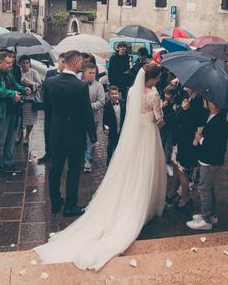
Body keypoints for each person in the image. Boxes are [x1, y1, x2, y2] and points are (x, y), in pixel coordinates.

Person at [35, 62, 166, 271]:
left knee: (130, 168)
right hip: (148, 134)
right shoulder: (154, 94)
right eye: (158, 78)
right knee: (146, 168)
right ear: (154, 78)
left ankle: (59, 202)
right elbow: (159, 119)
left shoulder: (132, 91)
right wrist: (162, 113)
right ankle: (143, 202)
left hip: (132, 137)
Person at [42, 50, 97, 217]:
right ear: (76, 64)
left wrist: (52, 127)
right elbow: (87, 113)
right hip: (75, 134)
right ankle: (70, 205)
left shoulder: (50, 82)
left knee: (55, 168)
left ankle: (55, 202)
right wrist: (92, 136)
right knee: (73, 170)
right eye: (80, 62)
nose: (81, 64)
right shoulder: (80, 86)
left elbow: (48, 110)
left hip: (57, 132)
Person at [0, 51, 29, 176]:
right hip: (0, 112)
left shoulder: (9, 73)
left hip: (12, 110)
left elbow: (14, 85)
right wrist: (11, 94)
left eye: (12, 62)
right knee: (0, 142)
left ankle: (8, 163)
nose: (10, 65)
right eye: (8, 63)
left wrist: (23, 89)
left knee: (10, 140)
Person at [186, 99, 228, 231]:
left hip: (211, 160)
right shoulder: (211, 116)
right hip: (206, 158)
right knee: (208, 188)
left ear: (214, 104)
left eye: (207, 99)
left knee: (204, 188)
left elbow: (217, 145)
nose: (204, 100)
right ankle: (211, 214)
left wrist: (201, 139)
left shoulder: (221, 122)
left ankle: (206, 220)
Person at [169, 87, 208, 211]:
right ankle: (173, 191)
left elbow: (198, 121)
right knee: (176, 165)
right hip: (180, 138)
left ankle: (185, 198)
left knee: (183, 170)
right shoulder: (188, 96)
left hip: (188, 141)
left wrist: (186, 110)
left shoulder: (199, 100)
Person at [39, 53, 65, 164]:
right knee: (48, 130)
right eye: (62, 61)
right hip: (50, 108)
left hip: (62, 109)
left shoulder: (69, 76)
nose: (63, 64)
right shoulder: (50, 73)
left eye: (65, 62)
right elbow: (44, 90)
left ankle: (60, 153)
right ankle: (48, 152)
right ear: (58, 61)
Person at [82, 62, 105, 173]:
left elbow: (101, 102)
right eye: (90, 73)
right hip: (79, 118)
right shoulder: (78, 84)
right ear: (84, 73)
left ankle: (88, 161)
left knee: (89, 140)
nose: (92, 75)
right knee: (80, 139)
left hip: (93, 118)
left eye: (94, 73)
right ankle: (81, 158)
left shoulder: (99, 86)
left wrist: (87, 106)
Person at [19, 55, 42, 146]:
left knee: (30, 120)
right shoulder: (18, 72)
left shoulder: (34, 72)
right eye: (23, 63)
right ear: (20, 64)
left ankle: (27, 136)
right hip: (20, 100)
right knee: (20, 119)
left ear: (30, 64)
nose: (25, 65)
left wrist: (30, 83)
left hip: (31, 100)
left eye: (27, 63)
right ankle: (19, 134)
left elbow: (39, 84)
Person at [102, 85, 125, 166]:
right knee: (111, 144)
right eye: (112, 94)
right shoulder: (107, 105)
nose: (114, 95)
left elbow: (125, 115)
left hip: (121, 127)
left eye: (116, 93)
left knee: (119, 145)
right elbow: (105, 118)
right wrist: (105, 127)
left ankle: (118, 160)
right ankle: (109, 159)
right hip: (112, 129)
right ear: (109, 95)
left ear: (118, 94)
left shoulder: (122, 103)